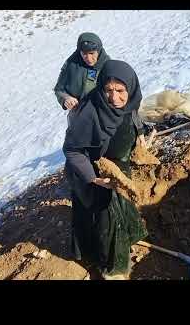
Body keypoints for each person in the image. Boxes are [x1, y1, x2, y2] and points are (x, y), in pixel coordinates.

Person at [62, 60, 148, 280]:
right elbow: (72, 150)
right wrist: (93, 178)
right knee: (107, 216)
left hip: (118, 165)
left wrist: (140, 134)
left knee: (123, 206)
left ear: (130, 87)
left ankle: (124, 242)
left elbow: (133, 114)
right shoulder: (89, 112)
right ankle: (113, 268)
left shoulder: (130, 102)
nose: (114, 97)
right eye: (108, 90)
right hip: (91, 169)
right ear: (100, 89)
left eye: (120, 90)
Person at [54, 32, 110, 124]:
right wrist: (66, 99)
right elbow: (59, 89)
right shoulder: (71, 64)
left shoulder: (108, 66)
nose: (88, 58)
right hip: (78, 118)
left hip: (103, 119)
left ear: (99, 51)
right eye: (84, 54)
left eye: (92, 53)